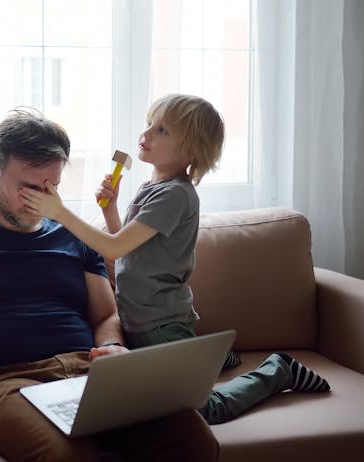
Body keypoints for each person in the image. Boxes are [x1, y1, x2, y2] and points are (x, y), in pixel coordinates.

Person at [0, 108, 219, 462]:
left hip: (89, 373)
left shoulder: (73, 236)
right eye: (28, 187)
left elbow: (106, 314)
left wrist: (112, 349)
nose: (42, 200)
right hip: (4, 385)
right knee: (64, 456)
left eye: (52, 188)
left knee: (192, 438)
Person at [19, 93, 330, 425]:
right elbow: (128, 248)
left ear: (191, 151)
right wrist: (110, 210)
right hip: (139, 320)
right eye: (149, 123)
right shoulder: (151, 187)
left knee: (205, 410)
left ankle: (278, 371)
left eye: (162, 130)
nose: (147, 133)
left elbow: (112, 249)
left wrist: (60, 212)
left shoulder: (175, 195)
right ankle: (211, 357)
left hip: (161, 326)